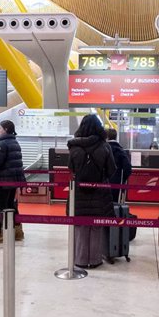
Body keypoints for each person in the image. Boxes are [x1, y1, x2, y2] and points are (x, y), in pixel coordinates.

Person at [67, 114, 116, 269]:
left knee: (80, 226)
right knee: (96, 226)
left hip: (79, 192)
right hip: (99, 193)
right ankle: (94, 260)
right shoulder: (105, 146)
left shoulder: (74, 147)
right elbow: (111, 170)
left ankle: (81, 260)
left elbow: (71, 168)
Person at [106, 128, 132, 203]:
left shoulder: (101, 150)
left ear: (107, 137)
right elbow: (128, 168)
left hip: (102, 184)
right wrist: (122, 180)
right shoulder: (120, 151)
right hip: (116, 183)